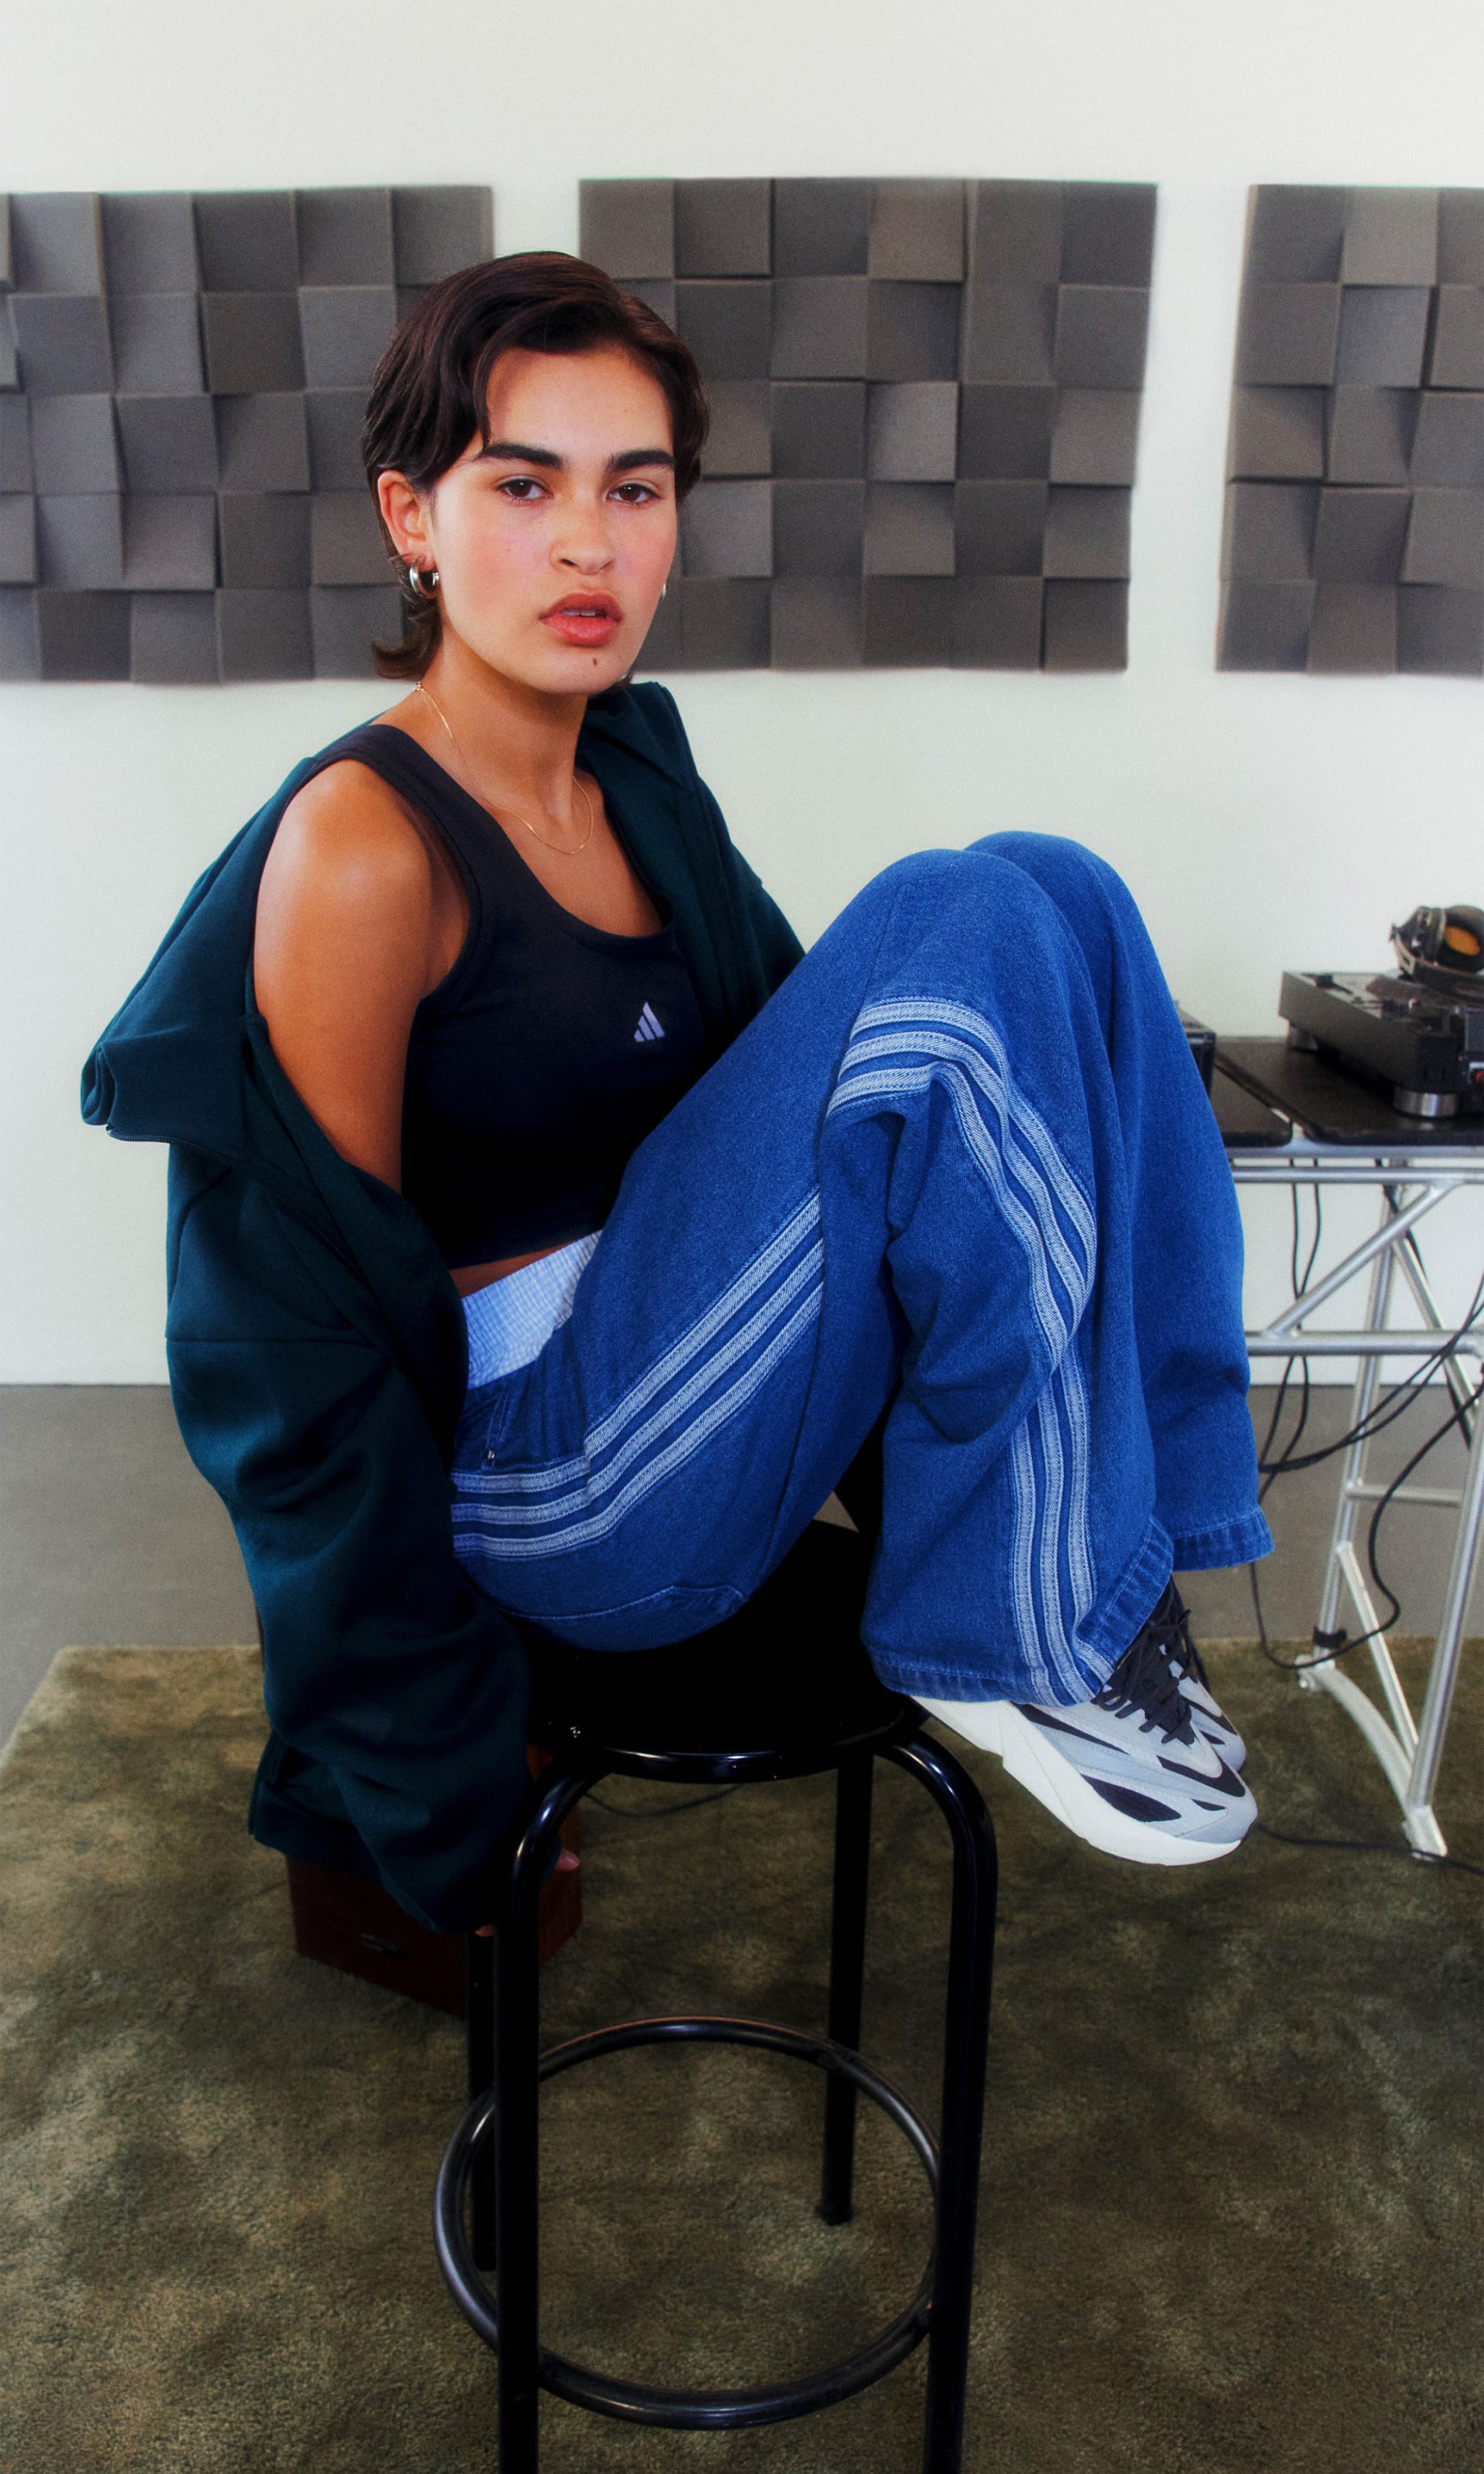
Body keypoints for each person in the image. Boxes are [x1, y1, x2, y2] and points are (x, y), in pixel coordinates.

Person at [83, 254, 1270, 1931]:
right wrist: (425, 1741)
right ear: (410, 519)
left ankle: (1120, 1572)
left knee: (1049, 885)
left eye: (633, 489)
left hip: (699, 1382)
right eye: (522, 484)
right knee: (962, 911)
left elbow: (818, 1105)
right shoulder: (362, 846)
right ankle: (1030, 1626)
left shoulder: (640, 769)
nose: (589, 542)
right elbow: (289, 1339)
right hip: (551, 1487)